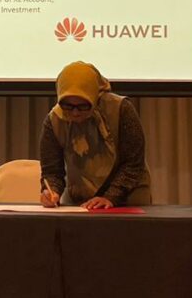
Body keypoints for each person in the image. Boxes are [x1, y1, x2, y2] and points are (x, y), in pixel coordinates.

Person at [39, 61, 151, 209]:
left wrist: (111, 196)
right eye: (68, 106)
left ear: (95, 97)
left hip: (128, 195)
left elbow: (133, 163)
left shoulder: (121, 109)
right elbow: (52, 171)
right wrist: (51, 191)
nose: (75, 113)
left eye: (83, 106)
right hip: (81, 199)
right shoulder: (54, 120)